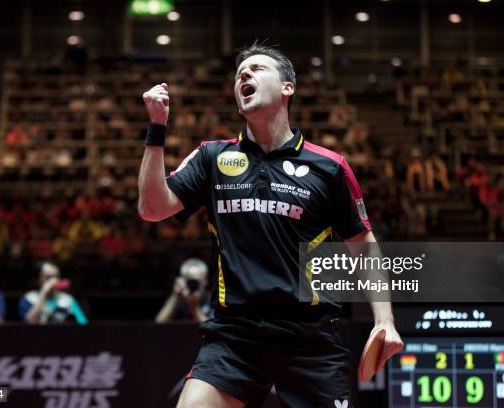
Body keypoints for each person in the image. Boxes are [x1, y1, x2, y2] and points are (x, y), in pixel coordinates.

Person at [138, 43, 403, 407]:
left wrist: (384, 320)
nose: (244, 75)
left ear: (287, 88)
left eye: (257, 68)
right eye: (239, 74)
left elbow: (363, 244)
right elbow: (152, 208)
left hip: (308, 337)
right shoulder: (213, 157)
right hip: (235, 335)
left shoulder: (329, 167)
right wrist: (156, 129)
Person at [18, 261, 87, 324]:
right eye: (48, 277)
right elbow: (29, 322)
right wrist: (43, 293)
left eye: (56, 276)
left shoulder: (68, 300)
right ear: (39, 279)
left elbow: (82, 324)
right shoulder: (29, 298)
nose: (53, 281)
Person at [155, 258, 211, 324]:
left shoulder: (214, 300)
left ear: (205, 281)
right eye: (190, 282)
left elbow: (212, 331)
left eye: (196, 282)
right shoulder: (178, 299)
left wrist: (194, 307)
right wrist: (175, 295)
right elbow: (158, 324)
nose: (192, 285)